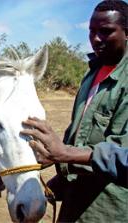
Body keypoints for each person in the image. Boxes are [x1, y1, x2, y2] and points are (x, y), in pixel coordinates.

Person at [21, 0, 128, 222]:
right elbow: (81, 136)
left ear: (126, 33)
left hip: (108, 210)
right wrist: (60, 174)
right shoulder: (93, 73)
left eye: (106, 32)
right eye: (92, 31)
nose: (96, 39)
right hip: (74, 203)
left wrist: (64, 153)